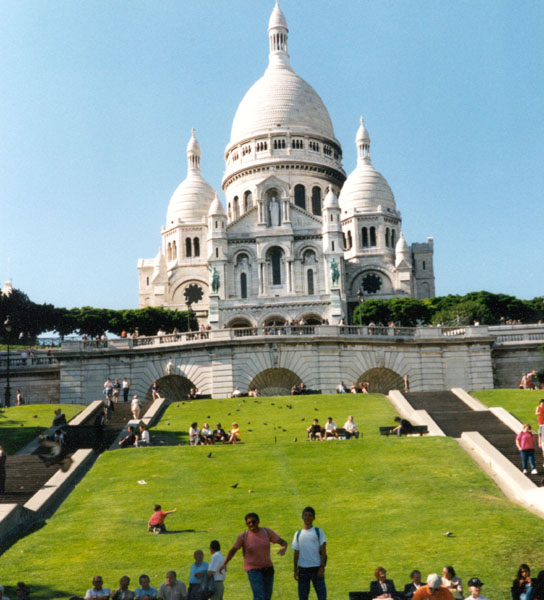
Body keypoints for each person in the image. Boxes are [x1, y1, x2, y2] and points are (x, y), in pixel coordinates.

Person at [220, 512, 287, 600]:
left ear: (258, 521)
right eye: (249, 523)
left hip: (268, 568)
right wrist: (224, 563)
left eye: (254, 522)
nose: (251, 524)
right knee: (259, 596)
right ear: (246, 524)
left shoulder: (266, 532)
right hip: (253, 570)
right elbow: (233, 550)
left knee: (267, 597)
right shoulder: (243, 536)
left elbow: (283, 542)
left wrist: (283, 547)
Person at [292, 506, 327, 600]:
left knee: (322, 596)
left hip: (316, 568)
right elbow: (296, 553)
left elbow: (323, 551)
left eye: (310, 515)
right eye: (305, 515)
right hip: (303, 569)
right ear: (302, 517)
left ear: (314, 518)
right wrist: (295, 570)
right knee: (303, 597)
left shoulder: (319, 532)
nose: (307, 517)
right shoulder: (298, 534)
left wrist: (322, 567)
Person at [536, 399, 544, 466]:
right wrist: (540, 412)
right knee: (541, 429)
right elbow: (536, 413)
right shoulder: (538, 407)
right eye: (541, 403)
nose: (542, 404)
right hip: (541, 419)